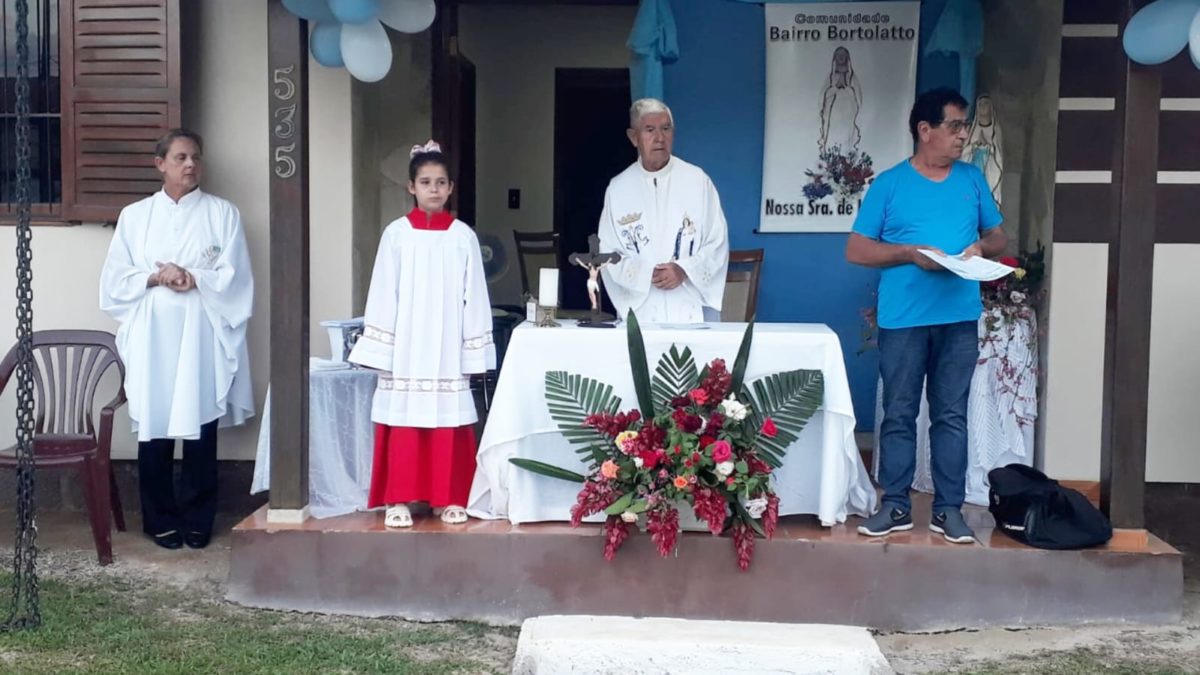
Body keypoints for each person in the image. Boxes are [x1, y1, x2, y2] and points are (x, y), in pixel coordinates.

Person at [846, 88, 1007, 544]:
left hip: (958, 316)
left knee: (951, 414)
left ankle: (948, 509)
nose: (963, 135)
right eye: (955, 126)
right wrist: (909, 254)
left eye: (964, 126)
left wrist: (980, 248)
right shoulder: (890, 183)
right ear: (925, 130)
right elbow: (856, 249)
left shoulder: (972, 180)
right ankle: (894, 504)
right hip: (904, 320)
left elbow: (998, 237)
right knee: (898, 413)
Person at [99, 128, 255, 551]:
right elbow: (114, 279)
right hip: (153, 336)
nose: (190, 165)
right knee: (157, 423)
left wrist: (193, 277)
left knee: (201, 425)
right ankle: (160, 517)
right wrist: (155, 276)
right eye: (181, 157)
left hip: (200, 333)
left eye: (196, 158)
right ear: (160, 164)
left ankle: (199, 518)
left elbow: (235, 275)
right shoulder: (136, 216)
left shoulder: (223, 213)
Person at [348, 140, 495, 529]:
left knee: (448, 420)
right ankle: (397, 497)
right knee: (404, 419)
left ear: (450, 188)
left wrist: (473, 350)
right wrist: (384, 348)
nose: (434, 189)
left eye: (441, 182)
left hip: (447, 346)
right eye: (426, 181)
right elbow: (382, 291)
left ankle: (450, 496)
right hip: (407, 345)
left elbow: (475, 296)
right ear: (411, 187)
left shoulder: (462, 236)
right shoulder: (396, 235)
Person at [598, 98, 729, 323]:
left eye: (666, 129)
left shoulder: (697, 181)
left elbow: (717, 242)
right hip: (641, 310)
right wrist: (645, 274)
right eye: (650, 130)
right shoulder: (619, 188)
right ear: (633, 137)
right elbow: (608, 250)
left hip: (689, 306)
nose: (659, 138)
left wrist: (684, 269)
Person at [818, 46, 864, 155]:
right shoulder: (830, 77)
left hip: (848, 115)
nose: (841, 58)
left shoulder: (852, 77)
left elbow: (858, 98)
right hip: (833, 116)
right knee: (832, 136)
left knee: (847, 135)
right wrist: (834, 90)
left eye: (843, 55)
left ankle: (846, 158)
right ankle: (831, 159)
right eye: (839, 55)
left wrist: (847, 91)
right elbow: (823, 98)